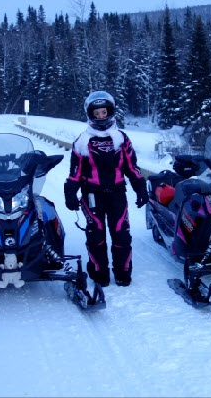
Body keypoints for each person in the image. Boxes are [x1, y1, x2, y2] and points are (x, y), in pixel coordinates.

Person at [64, 91, 149, 287]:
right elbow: (75, 172)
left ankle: (123, 273)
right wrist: (70, 192)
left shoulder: (121, 139)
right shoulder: (82, 141)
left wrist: (140, 189)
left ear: (110, 112)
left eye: (104, 112)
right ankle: (99, 274)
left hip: (118, 194)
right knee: (96, 235)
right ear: (90, 115)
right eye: (97, 113)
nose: (101, 116)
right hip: (92, 194)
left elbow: (132, 167)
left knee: (121, 234)